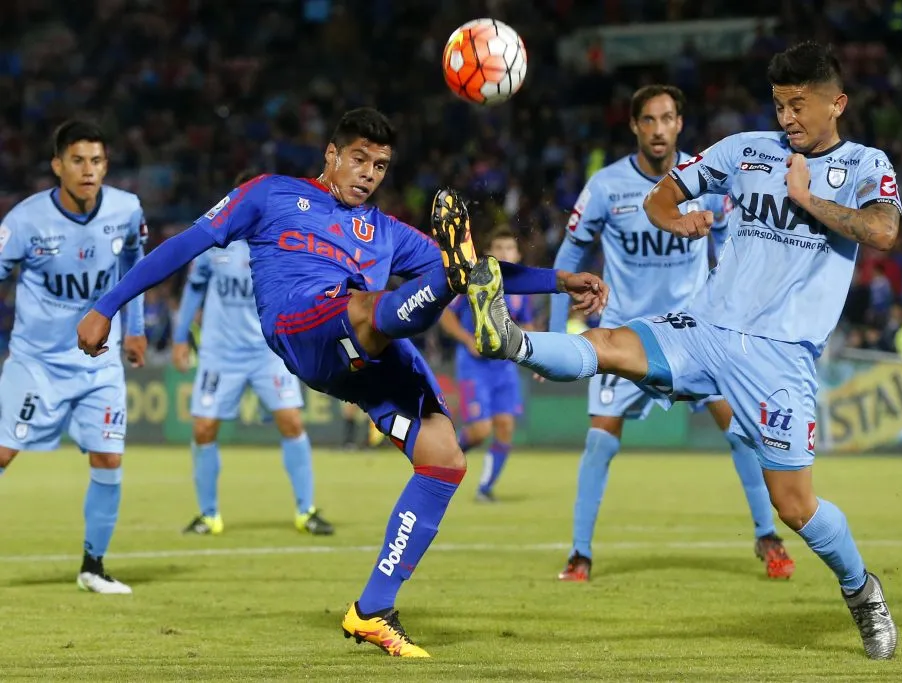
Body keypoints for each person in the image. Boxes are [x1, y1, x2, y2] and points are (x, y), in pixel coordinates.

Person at [77, 108, 606, 657]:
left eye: (380, 165)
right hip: (304, 328)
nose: (369, 173)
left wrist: (560, 281)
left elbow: (485, 269)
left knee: (444, 456)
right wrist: (108, 306)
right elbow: (186, 244)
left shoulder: (384, 231)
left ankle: (373, 610)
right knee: (378, 301)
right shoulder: (269, 194)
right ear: (331, 156)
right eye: (359, 159)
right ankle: (446, 283)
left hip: (370, 347)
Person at [467, 42, 900, 660]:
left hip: (780, 359)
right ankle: (510, 339)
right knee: (610, 344)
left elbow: (884, 232)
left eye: (799, 106)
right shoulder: (744, 149)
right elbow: (661, 197)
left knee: (796, 505)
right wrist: (675, 221)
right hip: (705, 324)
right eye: (780, 105)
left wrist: (806, 199)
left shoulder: (865, 164)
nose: (787, 119)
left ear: (838, 103)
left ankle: (862, 592)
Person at [549, 84, 792, 582]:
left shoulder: (708, 178)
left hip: (696, 333)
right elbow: (569, 259)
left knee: (744, 432)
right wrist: (558, 335)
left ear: (680, 123)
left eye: (667, 119)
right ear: (635, 126)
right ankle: (579, 553)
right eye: (649, 121)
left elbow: (733, 251)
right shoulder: (606, 186)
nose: (659, 130)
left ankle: (768, 536)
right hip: (626, 336)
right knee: (599, 443)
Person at [0, 120, 148, 594]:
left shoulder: (126, 210)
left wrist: (137, 330)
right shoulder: (23, 221)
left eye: (97, 161)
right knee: (3, 452)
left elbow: (137, 271)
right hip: (35, 362)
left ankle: (93, 566)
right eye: (79, 161)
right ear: (57, 165)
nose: (89, 170)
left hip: (98, 361)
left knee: (109, 457)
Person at [170, 170, 334, 536]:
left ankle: (306, 511)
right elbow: (193, 291)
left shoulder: (284, 243)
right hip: (219, 352)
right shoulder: (214, 243)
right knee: (203, 428)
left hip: (267, 350)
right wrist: (181, 337)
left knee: (291, 421)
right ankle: (208, 515)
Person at [439, 226, 534, 502]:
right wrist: (468, 340)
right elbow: (446, 316)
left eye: (509, 249)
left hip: (504, 368)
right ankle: (444, 464)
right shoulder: (474, 281)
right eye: (499, 248)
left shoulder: (521, 290)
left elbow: (526, 325)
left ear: (516, 254)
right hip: (473, 366)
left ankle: (484, 489)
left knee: (505, 428)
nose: (505, 253)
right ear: (489, 254)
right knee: (480, 431)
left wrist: (538, 356)